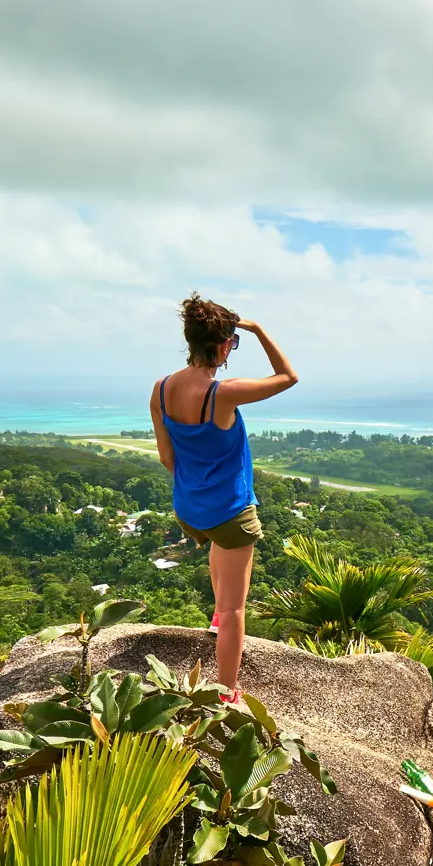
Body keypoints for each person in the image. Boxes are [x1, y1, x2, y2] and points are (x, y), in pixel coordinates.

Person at [150, 294, 298, 699]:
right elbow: (288, 377)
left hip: (189, 509)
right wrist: (259, 330)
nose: (232, 349)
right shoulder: (223, 394)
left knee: (218, 544)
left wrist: (199, 487)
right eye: (232, 342)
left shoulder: (161, 390)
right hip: (229, 512)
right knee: (236, 611)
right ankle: (226, 691)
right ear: (221, 345)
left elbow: (167, 457)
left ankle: (216, 615)